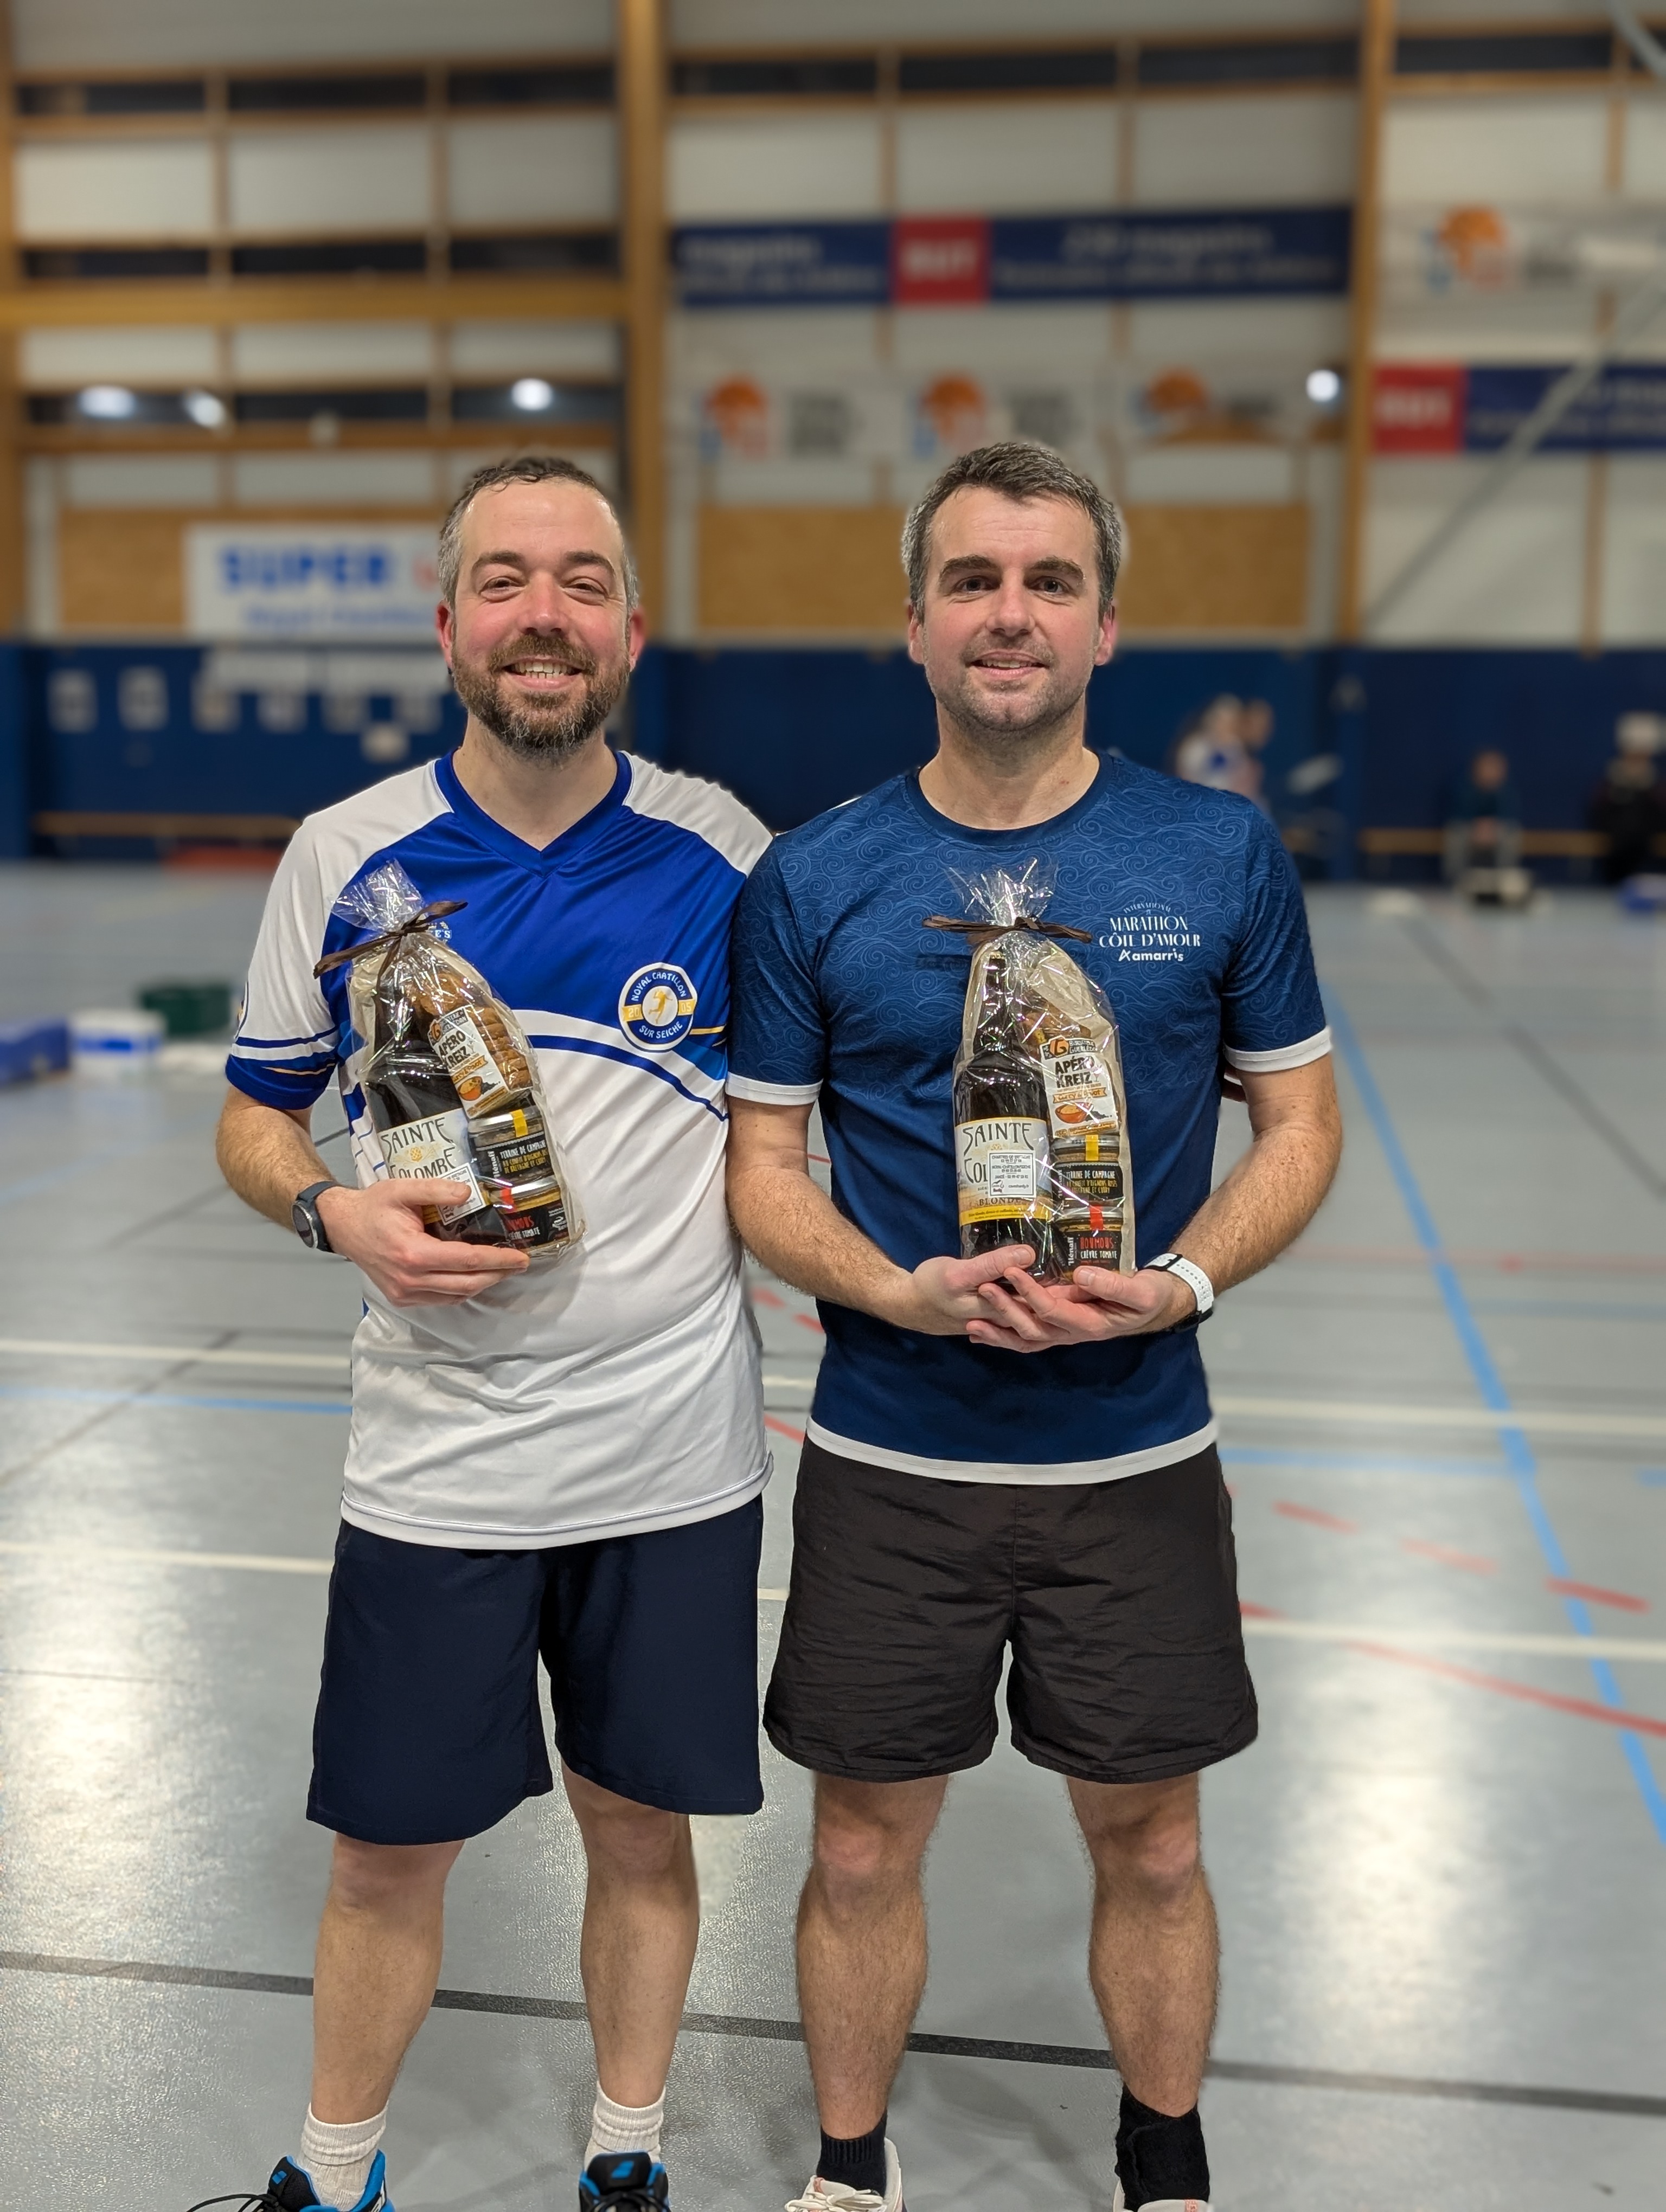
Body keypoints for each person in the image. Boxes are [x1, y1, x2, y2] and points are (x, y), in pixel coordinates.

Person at [725, 441, 1342, 2212]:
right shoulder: (816, 876)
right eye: (975, 581)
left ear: (1105, 626)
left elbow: (1300, 1125)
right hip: (890, 1458)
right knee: (859, 1849)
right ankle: (850, 2173)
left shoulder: (1216, 851)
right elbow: (761, 1166)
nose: (1011, 614)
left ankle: (1166, 2165)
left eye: (1050, 581)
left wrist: (1182, 1284)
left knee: (1155, 1845)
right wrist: (893, 1287)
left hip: (1135, 1457)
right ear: (915, 623)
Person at [212, 456, 771, 2212]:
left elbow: (811, 1124)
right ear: (448, 620)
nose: (546, 615)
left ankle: (625, 2153)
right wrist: (332, 1210)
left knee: (640, 1829)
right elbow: (255, 1115)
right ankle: (336, 2170)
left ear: (633, 627)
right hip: (436, 1457)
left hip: (672, 1456)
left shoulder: (727, 854)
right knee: (386, 1850)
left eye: (582, 580)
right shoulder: (345, 855)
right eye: (508, 580)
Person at [1587, 713, 1666, 885]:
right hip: (1615, 859)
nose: (1637, 758)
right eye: (1633, 753)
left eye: (1642, 754)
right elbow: (1599, 816)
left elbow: (1659, 820)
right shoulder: (1609, 785)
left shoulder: (1656, 788)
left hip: (1647, 858)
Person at [1444, 747, 1523, 882]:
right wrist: (1477, 827)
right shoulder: (1464, 787)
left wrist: (1491, 827)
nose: (1490, 771)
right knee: (1455, 833)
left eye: (1494, 768)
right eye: (1487, 767)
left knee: (1511, 833)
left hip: (1495, 831)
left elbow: (1508, 815)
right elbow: (1460, 814)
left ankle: (1505, 880)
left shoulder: (1506, 791)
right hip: (1470, 829)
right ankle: (1456, 881)